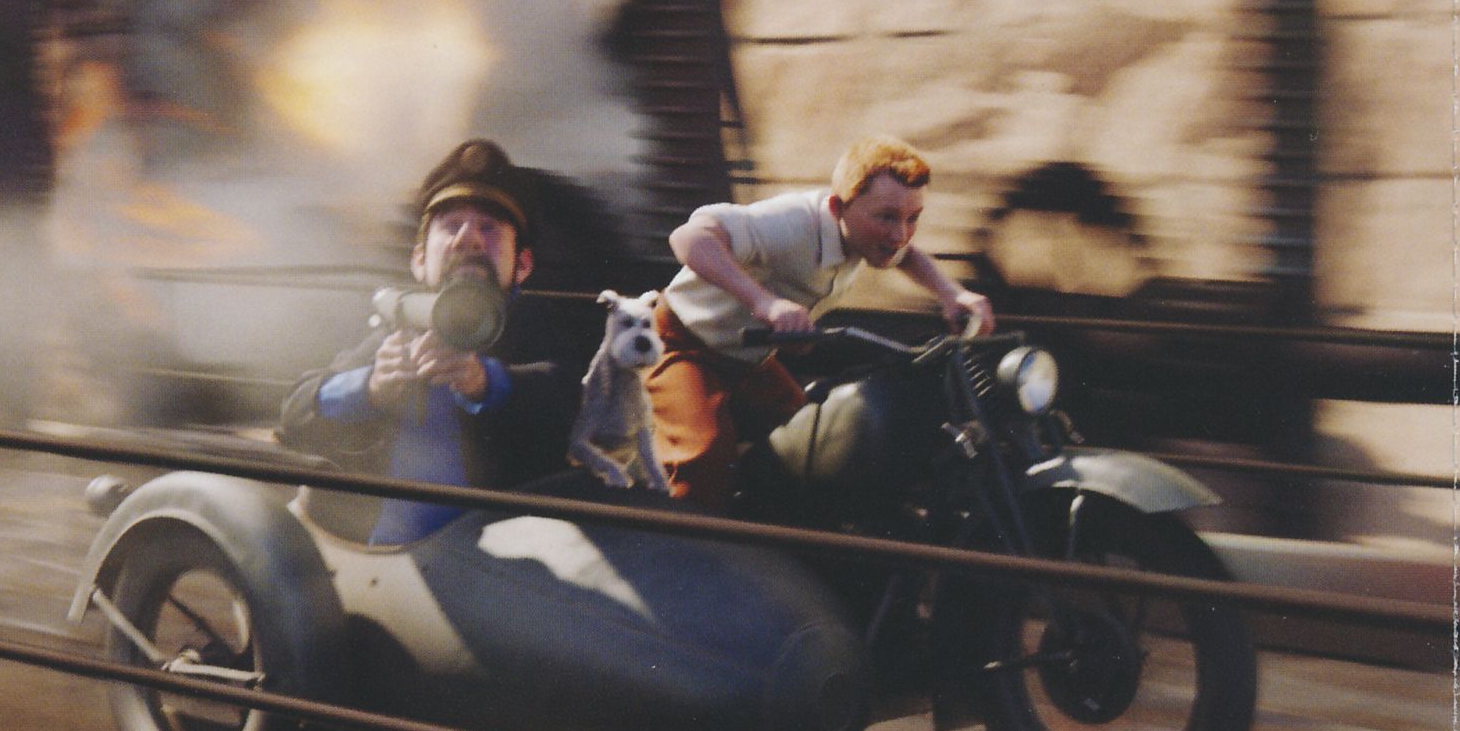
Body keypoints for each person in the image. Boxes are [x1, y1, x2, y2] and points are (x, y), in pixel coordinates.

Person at [644, 135, 995, 506]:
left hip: (750, 360)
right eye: (886, 217)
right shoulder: (792, 222)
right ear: (837, 207)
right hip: (681, 342)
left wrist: (951, 293)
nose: (900, 234)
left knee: (815, 439)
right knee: (706, 455)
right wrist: (765, 303)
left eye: (913, 218)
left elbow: (907, 254)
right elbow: (689, 237)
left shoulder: (873, 237)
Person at [279, 139, 575, 545]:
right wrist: (370, 387)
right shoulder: (398, 329)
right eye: (451, 225)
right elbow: (295, 414)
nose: (468, 239)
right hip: (389, 561)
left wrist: (485, 383)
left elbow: (569, 399)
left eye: (489, 228)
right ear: (419, 260)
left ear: (522, 265)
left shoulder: (538, 328)